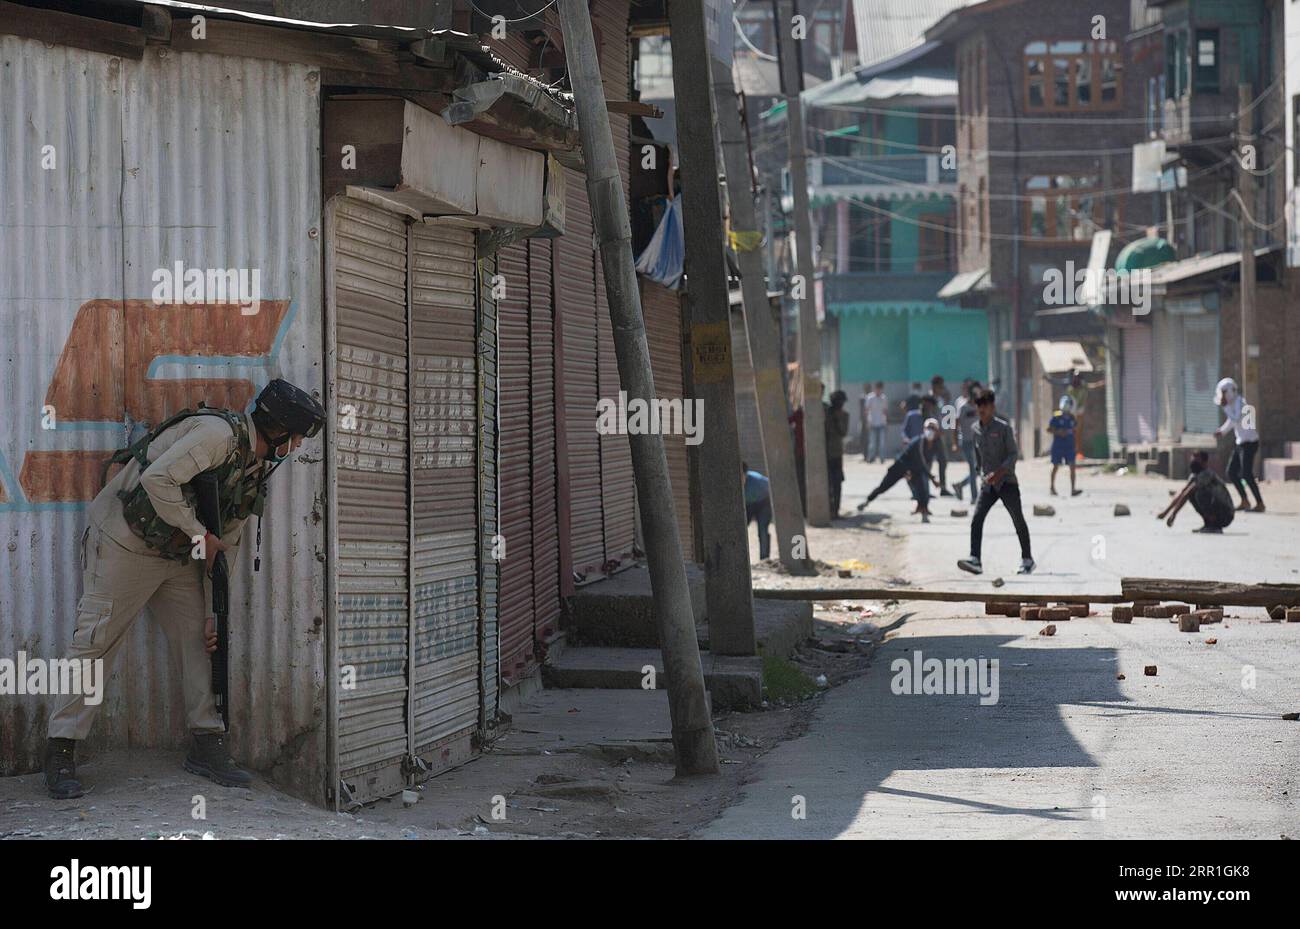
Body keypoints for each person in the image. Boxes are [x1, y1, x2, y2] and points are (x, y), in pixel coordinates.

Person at [44, 379, 327, 800]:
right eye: (299, 436)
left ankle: (207, 742)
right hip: (125, 541)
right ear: (280, 430)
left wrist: (216, 609)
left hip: (176, 554)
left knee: (202, 640)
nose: (299, 446)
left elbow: (223, 545)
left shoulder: (252, 468)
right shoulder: (217, 437)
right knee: (96, 642)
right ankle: (60, 749)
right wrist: (199, 536)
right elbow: (158, 480)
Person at [958, 390, 1035, 575]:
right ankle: (975, 559)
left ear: (992, 407)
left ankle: (1027, 559)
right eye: (979, 406)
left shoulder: (1003, 428)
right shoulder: (975, 429)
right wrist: (980, 472)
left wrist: (999, 472)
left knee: (1018, 520)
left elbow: (1013, 454)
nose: (982, 409)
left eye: (986, 406)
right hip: (989, 485)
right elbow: (977, 456)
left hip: (1007, 482)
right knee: (977, 520)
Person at [857, 417, 942, 523]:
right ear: (924, 429)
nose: (931, 430)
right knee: (883, 487)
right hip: (901, 467)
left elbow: (932, 461)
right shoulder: (918, 442)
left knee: (923, 488)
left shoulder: (936, 444)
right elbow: (921, 461)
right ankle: (867, 501)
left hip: (915, 470)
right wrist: (932, 477)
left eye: (933, 428)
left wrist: (932, 477)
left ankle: (923, 511)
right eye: (929, 428)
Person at [1214, 376, 1264, 512]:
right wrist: (1222, 431)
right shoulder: (1232, 405)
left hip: (1249, 443)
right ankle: (1245, 500)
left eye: (1224, 393)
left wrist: (1225, 409)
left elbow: (1235, 418)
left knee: (1247, 474)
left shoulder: (1240, 403)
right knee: (1231, 472)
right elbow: (1232, 422)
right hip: (1241, 442)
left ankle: (1260, 503)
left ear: (1229, 391)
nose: (1222, 397)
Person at [1158, 451, 1235, 533]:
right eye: (1193, 459)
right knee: (1192, 495)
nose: (1193, 462)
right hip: (1219, 510)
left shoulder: (1206, 474)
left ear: (1204, 462)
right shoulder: (1194, 475)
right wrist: (1165, 512)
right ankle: (1208, 524)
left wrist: (1174, 514)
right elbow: (1182, 493)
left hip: (1226, 514)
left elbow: (1187, 493)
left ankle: (1214, 525)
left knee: (1200, 494)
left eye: (1197, 460)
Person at [1047, 395, 1083, 497]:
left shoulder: (1072, 418)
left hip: (1069, 446)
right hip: (1058, 446)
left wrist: (1076, 444)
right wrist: (1058, 432)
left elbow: (1075, 430)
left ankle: (1073, 489)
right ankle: (1052, 487)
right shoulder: (1056, 416)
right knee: (1055, 466)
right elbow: (1049, 429)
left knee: (1072, 466)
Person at [953, 380, 981, 501]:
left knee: (979, 469)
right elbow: (956, 425)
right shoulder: (963, 407)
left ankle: (960, 485)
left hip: (979, 442)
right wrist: (955, 443)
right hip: (967, 442)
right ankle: (974, 497)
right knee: (973, 468)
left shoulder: (980, 407)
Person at [825, 389, 850, 518]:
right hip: (824, 454)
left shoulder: (844, 415)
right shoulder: (826, 414)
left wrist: (836, 419)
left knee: (837, 483)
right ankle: (829, 509)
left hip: (836, 454)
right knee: (827, 483)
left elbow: (843, 432)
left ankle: (836, 510)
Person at [742, 463, 773, 559]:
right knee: (739, 530)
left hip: (763, 503)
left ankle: (764, 558)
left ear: (745, 474)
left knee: (763, 531)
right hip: (747, 505)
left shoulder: (758, 481)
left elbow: (771, 491)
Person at [861, 381, 888, 462]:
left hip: (882, 423)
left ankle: (882, 458)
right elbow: (866, 410)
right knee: (872, 443)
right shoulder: (870, 398)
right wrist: (867, 421)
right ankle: (871, 458)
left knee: (882, 443)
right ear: (875, 389)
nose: (879, 391)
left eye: (880, 389)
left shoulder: (884, 398)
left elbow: (885, 411)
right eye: (877, 389)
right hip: (872, 422)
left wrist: (886, 421)